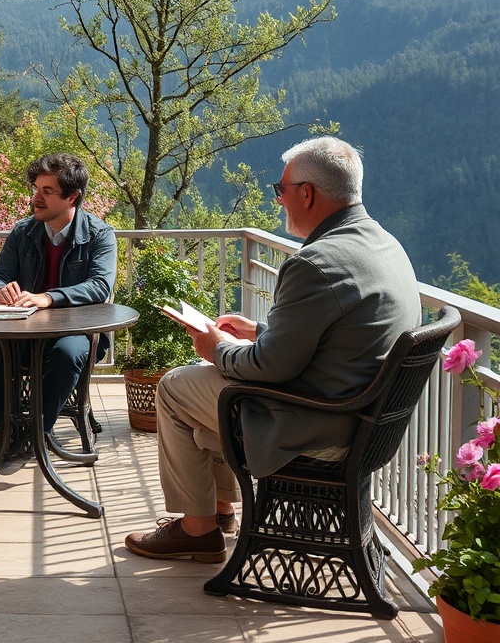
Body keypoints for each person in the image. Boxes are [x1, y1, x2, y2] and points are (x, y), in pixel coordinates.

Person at [124, 136, 421, 563]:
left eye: (281, 190)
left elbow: (269, 367)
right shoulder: (385, 245)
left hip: (315, 421)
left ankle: (198, 529)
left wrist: (216, 348)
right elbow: (339, 336)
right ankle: (218, 512)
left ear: (307, 193)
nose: (279, 199)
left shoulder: (316, 262)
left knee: (175, 388)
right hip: (361, 418)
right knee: (205, 406)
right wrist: (259, 330)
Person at [0, 152, 117, 460]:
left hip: (76, 333)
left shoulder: (100, 235)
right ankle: (1, 425)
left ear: (72, 197)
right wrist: (0, 292)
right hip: (27, 331)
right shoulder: (23, 232)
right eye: (36, 189)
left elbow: (100, 286)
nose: (35, 198)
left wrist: (48, 297)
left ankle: (39, 430)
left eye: (46, 191)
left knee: (67, 353)